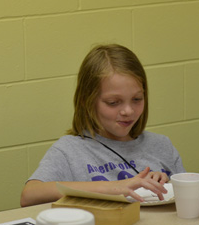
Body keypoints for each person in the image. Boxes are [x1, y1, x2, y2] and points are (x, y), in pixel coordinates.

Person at [20, 44, 185, 207]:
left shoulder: (161, 146)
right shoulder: (69, 151)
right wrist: (114, 187)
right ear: (87, 102)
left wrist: (168, 184)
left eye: (137, 99)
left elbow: (188, 196)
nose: (128, 111)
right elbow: (29, 195)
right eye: (113, 102)